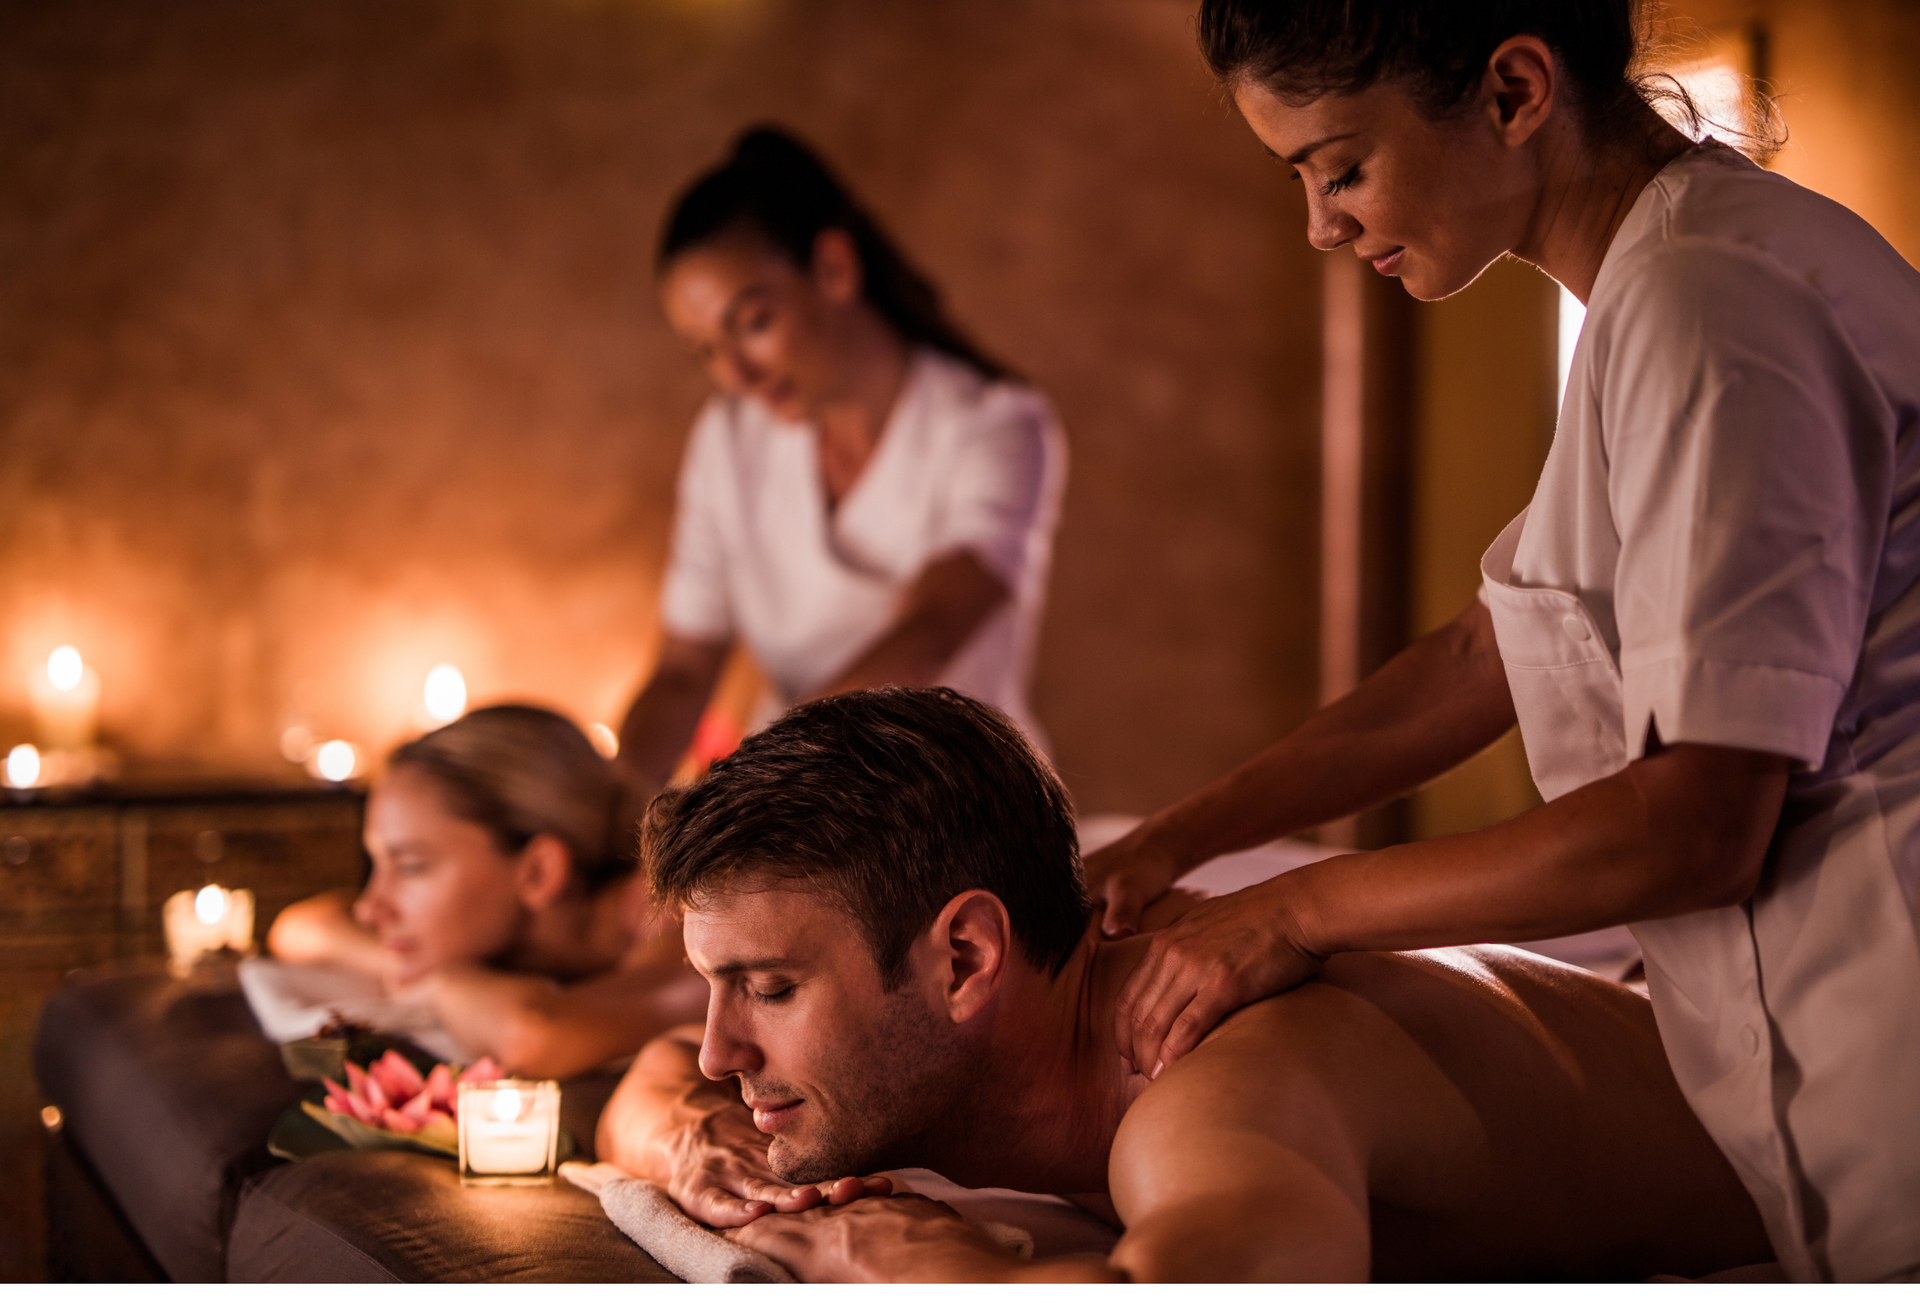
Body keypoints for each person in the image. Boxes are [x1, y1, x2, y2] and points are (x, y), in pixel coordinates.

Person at [1078, 0, 1920, 1283]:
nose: (1321, 225)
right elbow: (1488, 655)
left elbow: (1698, 822)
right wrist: (1174, 841)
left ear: (1516, 91)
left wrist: (1294, 910)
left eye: (1340, 168)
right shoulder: (1658, 292)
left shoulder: (1713, 302)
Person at [594, 688, 1770, 1282]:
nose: (719, 1051)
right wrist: (694, 1143)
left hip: (1805, 1133)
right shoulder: (1041, 1008)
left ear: (964, 960)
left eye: (768, 989)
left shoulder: (1212, 1083)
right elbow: (650, 1078)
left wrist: (924, 1267)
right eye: (718, 988)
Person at [612, 125, 1067, 799]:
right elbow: (683, 672)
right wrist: (610, 800)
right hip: (788, 801)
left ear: (834, 268)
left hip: (962, 806)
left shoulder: (994, 425)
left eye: (753, 323)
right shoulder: (728, 440)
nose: (735, 374)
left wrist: (748, 786)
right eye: (706, 349)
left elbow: (928, 635)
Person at [268, 705, 706, 1079]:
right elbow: (300, 927)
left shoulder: (681, 912)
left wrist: (441, 984)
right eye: (378, 865)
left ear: (537, 872)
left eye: (411, 866)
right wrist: (405, 966)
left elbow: (538, 1036)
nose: (369, 908)